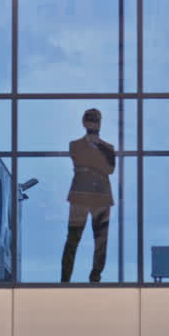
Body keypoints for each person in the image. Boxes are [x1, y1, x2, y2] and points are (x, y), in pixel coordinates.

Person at [61, 108, 115, 283]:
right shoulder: (75, 145)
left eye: (95, 120)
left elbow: (109, 169)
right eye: (90, 120)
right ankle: (65, 279)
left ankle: (95, 277)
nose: (93, 124)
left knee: (101, 241)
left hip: (100, 198)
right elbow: (84, 161)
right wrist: (97, 162)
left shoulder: (107, 148)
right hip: (81, 197)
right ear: (84, 123)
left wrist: (92, 163)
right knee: (73, 239)